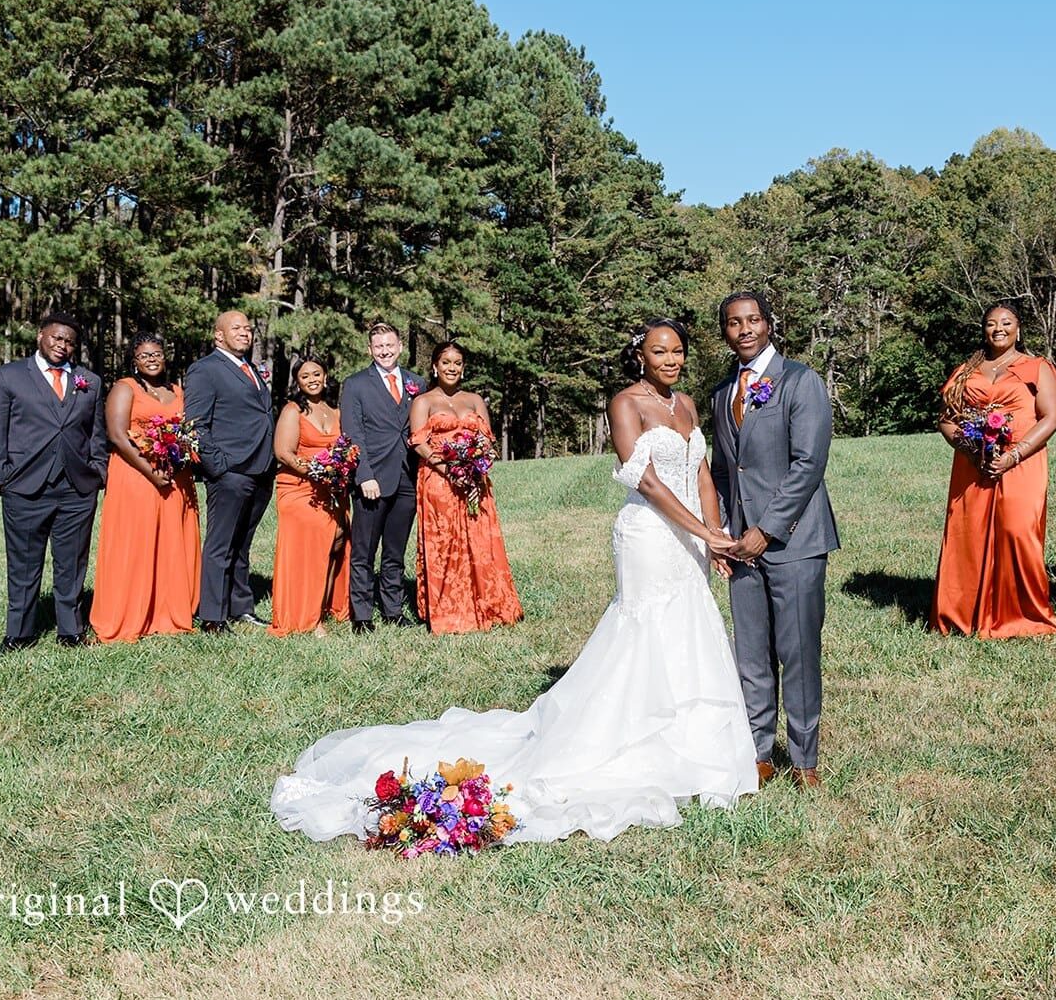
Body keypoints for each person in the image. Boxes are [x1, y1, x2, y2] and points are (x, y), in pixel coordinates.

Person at [271, 319, 757, 844]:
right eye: (660, 352)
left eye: (678, 351)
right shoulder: (625, 403)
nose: (671, 360)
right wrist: (703, 530)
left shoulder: (686, 405)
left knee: (689, 625)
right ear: (640, 356)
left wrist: (715, 535)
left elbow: (701, 473)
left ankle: (690, 740)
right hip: (650, 536)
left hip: (690, 540)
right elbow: (648, 481)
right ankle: (631, 734)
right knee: (646, 630)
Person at [709, 292, 839, 790]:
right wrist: (725, 531)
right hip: (741, 548)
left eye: (753, 320)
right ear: (725, 331)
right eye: (733, 322)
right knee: (751, 654)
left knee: (798, 651)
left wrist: (766, 530)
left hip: (794, 542)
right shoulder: (722, 394)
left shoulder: (801, 382)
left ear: (768, 324)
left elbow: (809, 465)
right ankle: (758, 752)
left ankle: (804, 759)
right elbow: (725, 470)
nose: (744, 329)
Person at [930, 302, 1056, 639]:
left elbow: (1053, 417)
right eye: (991, 323)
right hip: (973, 466)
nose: (998, 329)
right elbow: (946, 419)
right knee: (968, 536)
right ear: (984, 330)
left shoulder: (1036, 367)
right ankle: (963, 614)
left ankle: (1021, 614)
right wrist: (970, 450)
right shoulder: (967, 370)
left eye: (1006, 322)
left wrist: (1013, 455)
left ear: (1019, 329)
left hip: (1022, 463)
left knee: (1018, 532)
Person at [0, 312, 109, 653]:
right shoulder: (8, 377)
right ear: (40, 336)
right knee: (23, 564)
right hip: (24, 487)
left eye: (69, 341)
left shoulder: (89, 381)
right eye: (57, 337)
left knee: (72, 563)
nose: (62, 345)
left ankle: (71, 631)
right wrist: (4, 477)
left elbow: (96, 434)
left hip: (77, 489)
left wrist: (98, 471)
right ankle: (19, 634)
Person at [89, 334, 201, 642]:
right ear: (134, 361)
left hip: (175, 478)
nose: (151, 360)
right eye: (144, 355)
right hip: (136, 475)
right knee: (135, 543)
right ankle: (128, 615)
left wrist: (180, 459)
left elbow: (187, 432)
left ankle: (167, 612)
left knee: (171, 542)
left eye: (157, 354)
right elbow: (117, 435)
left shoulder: (177, 390)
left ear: (165, 356)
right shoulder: (125, 388)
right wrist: (151, 472)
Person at [408, 341, 522, 633]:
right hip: (439, 481)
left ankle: (488, 604)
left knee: (479, 543)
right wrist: (450, 471)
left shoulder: (474, 400)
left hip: (474, 482)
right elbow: (418, 442)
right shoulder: (423, 401)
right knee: (446, 544)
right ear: (435, 366)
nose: (452, 368)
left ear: (463, 368)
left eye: (457, 363)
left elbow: (486, 441)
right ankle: (450, 610)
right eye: (446, 362)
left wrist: (476, 471)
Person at [182, 310, 276, 633]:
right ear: (218, 335)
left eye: (248, 328)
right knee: (220, 545)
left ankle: (241, 607)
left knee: (242, 543)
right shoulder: (205, 370)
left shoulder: (251, 368)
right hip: (231, 471)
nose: (245, 333)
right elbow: (195, 425)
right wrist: (219, 468)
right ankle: (212, 616)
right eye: (236, 328)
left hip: (261, 469)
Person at [340, 322, 428, 632]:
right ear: (370, 350)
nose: (385, 351)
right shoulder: (355, 385)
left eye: (390, 345)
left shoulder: (417, 383)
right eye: (379, 346)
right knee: (364, 551)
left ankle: (393, 610)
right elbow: (353, 433)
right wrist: (364, 474)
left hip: (407, 477)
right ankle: (362, 615)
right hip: (373, 478)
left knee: (395, 550)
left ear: (400, 347)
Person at [270, 355, 352, 637]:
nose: (312, 380)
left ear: (325, 377)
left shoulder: (335, 411)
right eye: (305, 376)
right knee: (315, 543)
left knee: (337, 541)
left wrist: (337, 473)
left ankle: (322, 607)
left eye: (316, 374)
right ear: (298, 382)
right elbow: (283, 453)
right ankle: (308, 617)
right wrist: (317, 472)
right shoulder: (293, 410)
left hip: (333, 489)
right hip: (299, 488)